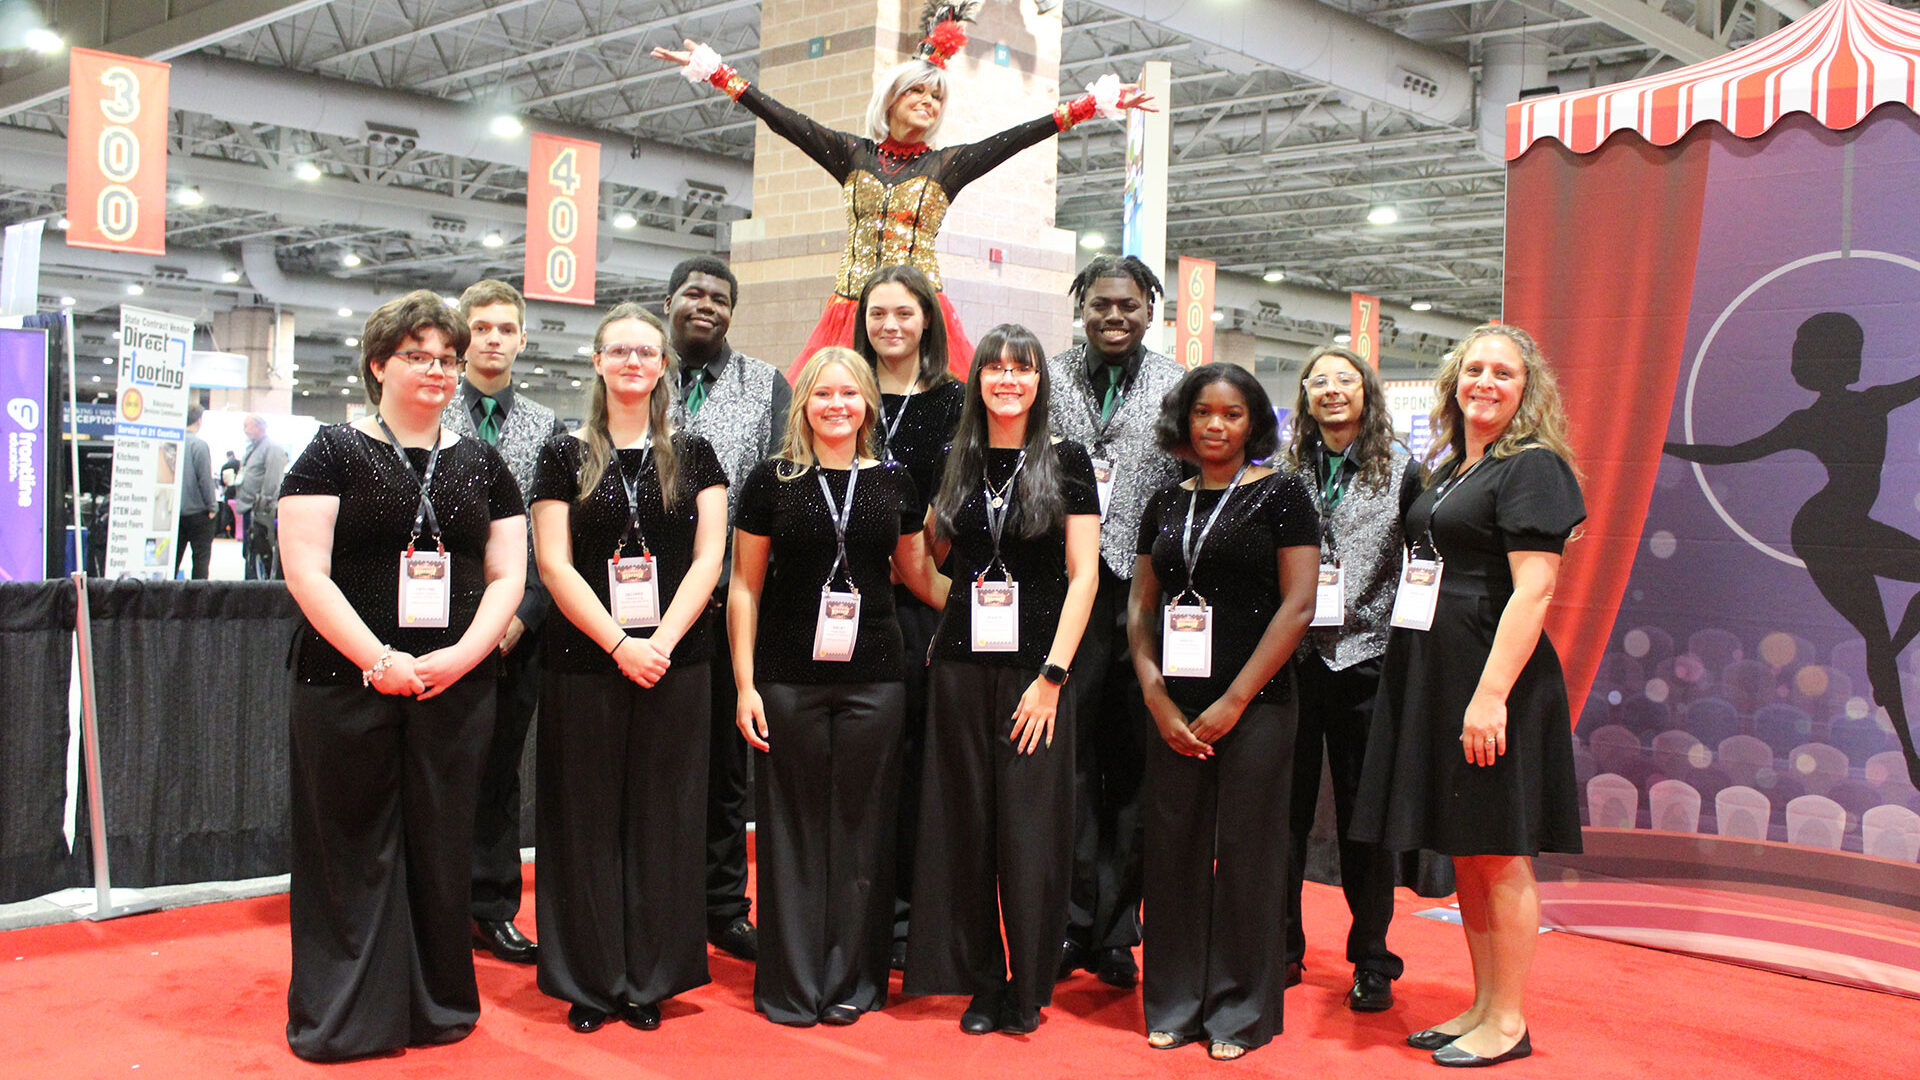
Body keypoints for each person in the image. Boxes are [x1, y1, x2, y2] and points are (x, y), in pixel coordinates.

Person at [277, 290, 527, 1062]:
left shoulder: (481, 463)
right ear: (380, 364)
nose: (438, 370)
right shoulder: (331, 452)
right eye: (419, 356)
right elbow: (306, 572)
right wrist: (377, 660)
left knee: (441, 848)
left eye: (449, 359)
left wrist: (467, 654)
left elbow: (507, 573)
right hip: (344, 681)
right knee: (347, 848)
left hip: (455, 686)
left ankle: (434, 1004)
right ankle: (347, 1014)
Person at [652, 9, 1152, 377]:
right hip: (850, 308)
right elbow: (784, 120)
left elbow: (1015, 139)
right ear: (891, 99)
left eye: (936, 97)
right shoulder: (851, 154)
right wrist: (717, 73)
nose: (928, 103)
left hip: (920, 311)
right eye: (917, 92)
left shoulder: (946, 166)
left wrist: (1088, 105)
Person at [1352, 323, 1586, 1068]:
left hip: (1493, 680)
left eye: (1503, 373)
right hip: (1440, 673)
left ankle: (1508, 1021)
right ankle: (1484, 1006)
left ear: (1527, 391)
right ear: (1454, 382)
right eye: (1474, 369)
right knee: (1470, 854)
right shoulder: (1456, 466)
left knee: (1500, 853)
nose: (1486, 382)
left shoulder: (1534, 467)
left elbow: (1534, 592)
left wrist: (1490, 697)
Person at [529, 304, 730, 1034]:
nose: (633, 362)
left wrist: (660, 643)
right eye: (619, 351)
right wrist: (620, 644)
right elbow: (553, 563)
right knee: (582, 822)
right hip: (585, 661)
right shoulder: (563, 455)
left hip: (677, 663)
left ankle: (649, 977)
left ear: (663, 365)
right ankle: (590, 980)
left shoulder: (696, 454)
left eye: (646, 351)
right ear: (597, 362)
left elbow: (709, 558)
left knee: (664, 821)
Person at [728, 347, 938, 1026]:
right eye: (823, 394)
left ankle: (852, 980)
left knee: (863, 832)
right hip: (786, 677)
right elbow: (744, 588)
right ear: (804, 405)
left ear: (868, 403)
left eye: (849, 393)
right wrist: (745, 684)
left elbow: (920, 577)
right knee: (789, 831)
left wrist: (997, 612)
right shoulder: (771, 480)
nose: (837, 405)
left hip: (875, 679)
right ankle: (791, 983)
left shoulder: (896, 482)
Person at [905, 325, 1100, 1035]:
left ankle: (1028, 985)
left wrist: (1053, 675)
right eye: (995, 369)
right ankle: (982, 981)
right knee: (964, 827)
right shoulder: (955, 459)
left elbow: (1084, 576)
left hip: (1035, 675)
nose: (1008, 380)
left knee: (1030, 833)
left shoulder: (1066, 460)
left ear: (1039, 382)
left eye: (1023, 369)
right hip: (960, 670)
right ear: (978, 380)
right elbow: (923, 557)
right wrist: (953, 610)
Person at [1128, 364, 1319, 1061]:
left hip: (1256, 705)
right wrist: (1154, 694)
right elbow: (1140, 606)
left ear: (1253, 423)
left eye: (1232, 414)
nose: (1216, 425)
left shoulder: (1282, 493)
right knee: (1173, 854)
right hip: (1174, 708)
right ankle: (1175, 1004)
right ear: (1185, 419)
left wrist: (1234, 700)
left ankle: (1239, 1012)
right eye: (1204, 412)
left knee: (1247, 857)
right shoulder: (1163, 501)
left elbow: (1299, 604)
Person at [1044, 254, 1185, 988]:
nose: (1114, 317)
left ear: (1150, 310)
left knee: (1132, 769)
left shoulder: (1180, 385)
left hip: (1144, 595)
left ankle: (1117, 930)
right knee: (1069, 762)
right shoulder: (1048, 377)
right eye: (1101, 304)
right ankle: (1070, 922)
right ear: (1083, 308)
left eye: (1128, 305)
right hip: (1067, 593)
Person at [1278, 345, 1423, 1012]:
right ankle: (1281, 946)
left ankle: (1372, 959)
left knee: (1366, 818)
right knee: (1284, 813)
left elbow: (1424, 567)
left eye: (1346, 379)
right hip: (1293, 663)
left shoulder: (1404, 471)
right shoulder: (1284, 472)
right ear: (1306, 396)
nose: (1332, 390)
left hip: (1368, 663)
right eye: (1320, 381)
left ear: (1366, 392)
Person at [438, 279, 569, 967]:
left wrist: (521, 614)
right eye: (481, 327)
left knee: (498, 773)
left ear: (522, 339)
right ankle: (431, 907)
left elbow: (556, 538)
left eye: (505, 328)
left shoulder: (548, 427)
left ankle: (491, 908)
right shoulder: (429, 408)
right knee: (434, 769)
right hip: (438, 625)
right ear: (463, 337)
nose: (493, 338)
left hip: (521, 631)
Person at [666, 254, 792, 964]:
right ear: (670, 302)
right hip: (642, 612)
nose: (706, 304)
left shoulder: (765, 384)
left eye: (719, 297)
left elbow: (778, 489)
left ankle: (722, 905)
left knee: (725, 770)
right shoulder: (640, 371)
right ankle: (660, 902)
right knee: (660, 764)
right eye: (693, 293)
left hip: (730, 604)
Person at [851, 263, 967, 966]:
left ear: (928, 320)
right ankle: (856, 914)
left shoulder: (954, 401)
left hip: (923, 596)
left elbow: (958, 496)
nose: (890, 325)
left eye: (904, 313)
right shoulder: (843, 389)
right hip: (846, 600)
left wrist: (912, 561)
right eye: (877, 313)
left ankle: (910, 919)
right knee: (862, 765)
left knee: (921, 760)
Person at [235, 412, 288, 579]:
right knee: (249, 551)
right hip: (249, 507)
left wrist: (264, 504)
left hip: (260, 511)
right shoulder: (252, 448)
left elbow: (273, 480)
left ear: (259, 427)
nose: (244, 429)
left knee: (260, 551)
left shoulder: (271, 448)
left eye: (247, 425)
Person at [175, 402, 218, 580]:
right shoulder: (199, 445)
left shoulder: (173, 443)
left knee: (173, 559)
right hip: (199, 513)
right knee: (201, 560)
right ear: (199, 420)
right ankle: (198, 596)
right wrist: (212, 506)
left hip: (175, 513)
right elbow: (204, 479)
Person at [218, 447, 242, 539]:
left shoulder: (225, 466)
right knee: (239, 513)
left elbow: (222, 483)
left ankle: (224, 531)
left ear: (228, 456)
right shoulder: (239, 463)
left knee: (226, 511)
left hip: (230, 490)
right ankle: (237, 532)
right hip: (240, 490)